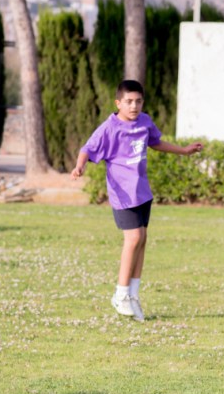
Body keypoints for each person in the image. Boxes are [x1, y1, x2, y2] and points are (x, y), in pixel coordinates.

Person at [71, 80, 203, 322]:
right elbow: (87, 149)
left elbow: (156, 143)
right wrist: (80, 166)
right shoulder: (109, 128)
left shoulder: (144, 122)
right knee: (132, 239)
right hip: (123, 193)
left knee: (142, 239)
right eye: (129, 102)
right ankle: (120, 294)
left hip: (142, 192)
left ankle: (133, 295)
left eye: (138, 101)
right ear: (118, 103)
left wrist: (183, 150)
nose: (134, 106)